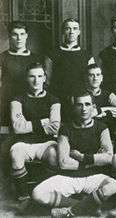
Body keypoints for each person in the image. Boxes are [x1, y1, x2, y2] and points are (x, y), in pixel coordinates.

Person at [32, 91, 116, 217]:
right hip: (69, 177)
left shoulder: (102, 127)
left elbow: (109, 157)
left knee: (113, 186)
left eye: (87, 104)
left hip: (93, 177)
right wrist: (93, 161)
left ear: (93, 107)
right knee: (37, 193)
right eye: (79, 105)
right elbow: (63, 163)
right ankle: (87, 206)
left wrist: (82, 157)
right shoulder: (65, 129)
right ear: (74, 107)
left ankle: (71, 211)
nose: (84, 108)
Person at [9, 62, 60, 205]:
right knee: (15, 153)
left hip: (46, 143)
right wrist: (44, 121)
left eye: (39, 76)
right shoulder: (17, 99)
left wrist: (29, 124)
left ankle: (45, 193)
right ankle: (23, 197)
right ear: (26, 78)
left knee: (54, 154)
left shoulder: (53, 100)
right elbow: (18, 127)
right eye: (32, 76)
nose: (36, 80)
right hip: (24, 143)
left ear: (45, 78)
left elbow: (55, 127)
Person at [0, 21, 46, 133]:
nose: (19, 38)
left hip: (30, 105)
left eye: (22, 34)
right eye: (15, 34)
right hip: (7, 104)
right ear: (10, 36)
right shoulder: (2, 58)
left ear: (26, 36)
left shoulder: (37, 59)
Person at [48, 18, 94, 121]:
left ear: (79, 32)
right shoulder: (53, 54)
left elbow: (92, 80)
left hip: (80, 100)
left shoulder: (86, 55)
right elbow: (47, 80)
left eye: (75, 28)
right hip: (58, 98)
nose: (71, 31)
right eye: (68, 28)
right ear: (63, 31)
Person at [85, 63, 116, 145]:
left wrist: (100, 110)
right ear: (86, 77)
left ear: (102, 78)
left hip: (108, 135)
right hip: (88, 134)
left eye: (98, 75)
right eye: (91, 75)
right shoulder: (81, 95)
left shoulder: (108, 95)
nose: (95, 78)